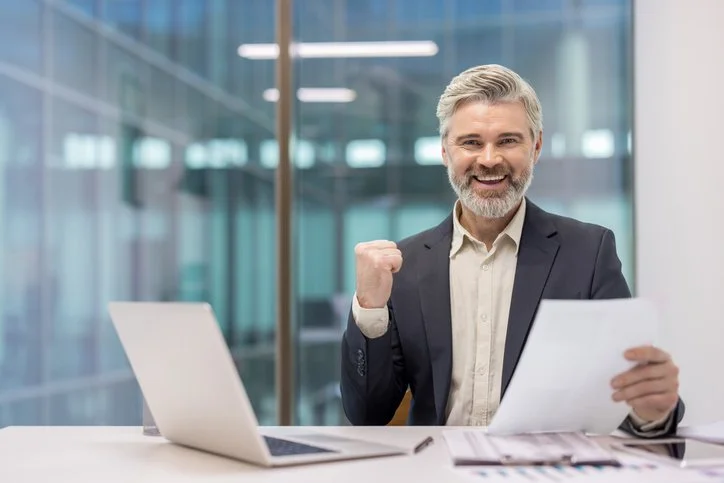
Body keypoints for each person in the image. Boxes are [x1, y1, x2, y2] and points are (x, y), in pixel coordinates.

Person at [340, 64, 683, 436]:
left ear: (535, 147)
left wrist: (652, 412)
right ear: (444, 151)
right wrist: (369, 309)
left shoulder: (589, 252)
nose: (489, 159)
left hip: (545, 471)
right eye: (471, 142)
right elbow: (367, 414)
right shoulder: (405, 265)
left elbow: (629, 393)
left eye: (508, 141)